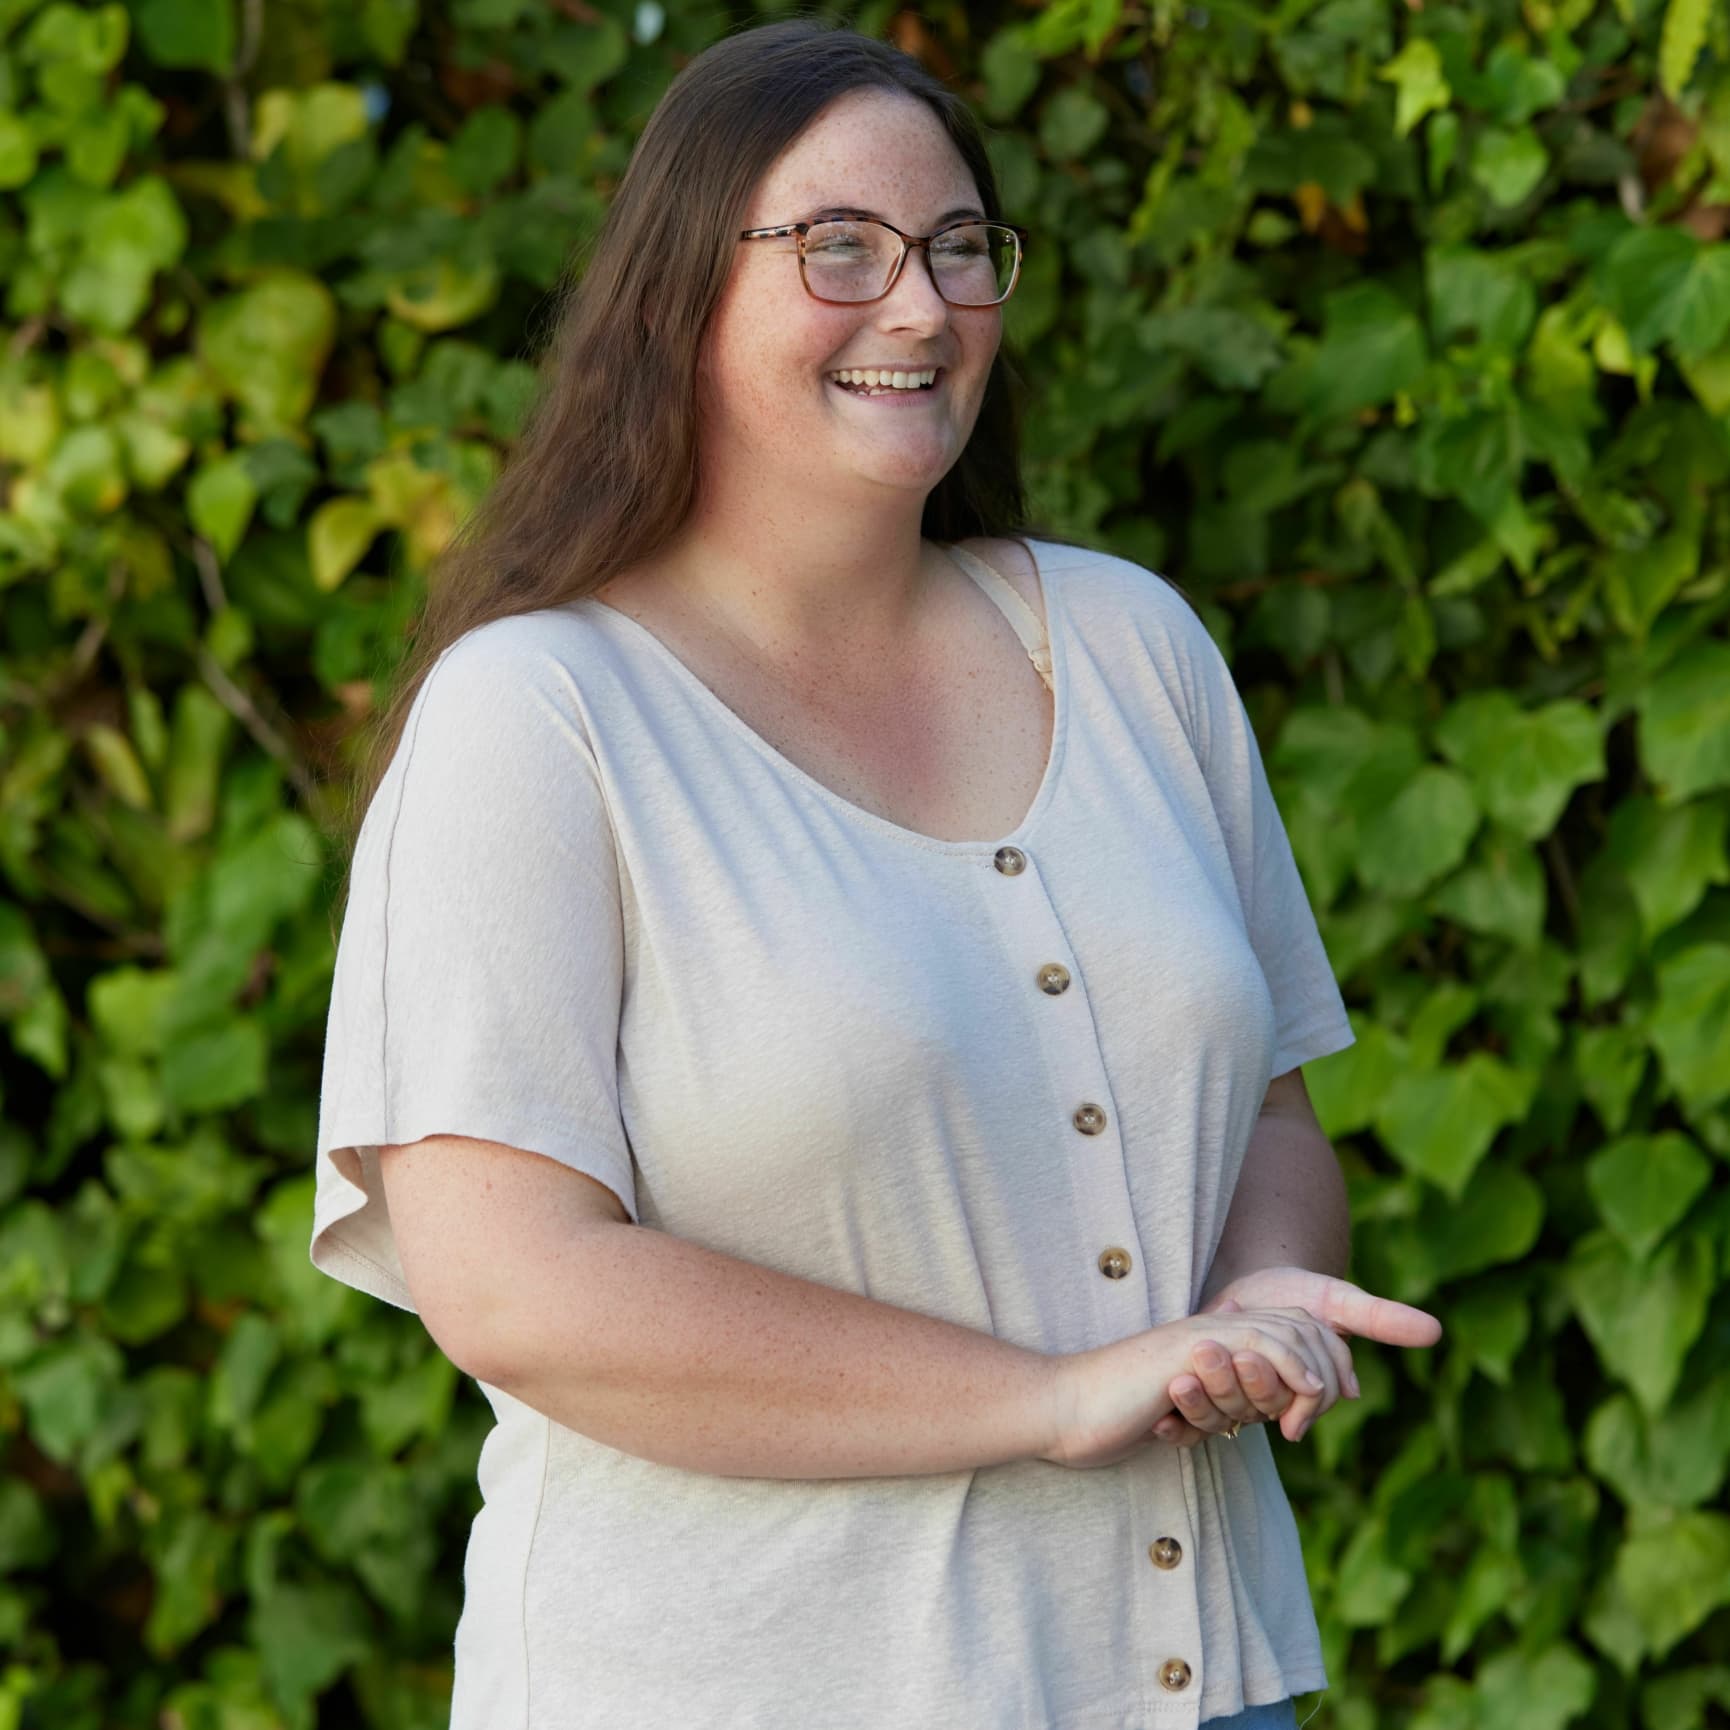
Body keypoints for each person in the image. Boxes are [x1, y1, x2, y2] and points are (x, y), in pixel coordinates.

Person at [310, 18, 1443, 1729]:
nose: (917, 304)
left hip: (1195, 1687)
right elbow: (515, 1285)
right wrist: (1049, 1396)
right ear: (680, 292)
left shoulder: (1130, 646)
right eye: (834, 246)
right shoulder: (537, 717)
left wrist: (1262, 1287)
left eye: (958, 246)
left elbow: (1267, 1109)